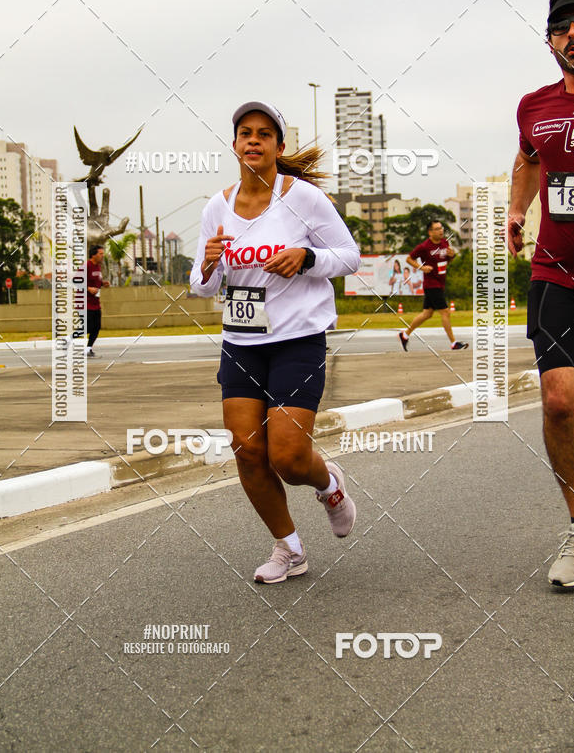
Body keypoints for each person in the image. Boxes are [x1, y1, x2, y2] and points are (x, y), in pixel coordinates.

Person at [190, 101, 361, 584]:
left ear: (278, 147)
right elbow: (203, 287)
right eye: (245, 132)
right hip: (242, 342)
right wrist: (206, 263)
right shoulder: (215, 207)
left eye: (264, 134)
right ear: (235, 143)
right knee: (247, 450)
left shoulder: (301, 198)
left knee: (286, 457)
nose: (254, 141)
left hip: (298, 339)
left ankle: (329, 486)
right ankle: (289, 548)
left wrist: (306, 257)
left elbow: (348, 256)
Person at [508, 0, 574, 587]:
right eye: (563, 27)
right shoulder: (534, 105)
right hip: (556, 272)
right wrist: (515, 209)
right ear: (550, 40)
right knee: (560, 402)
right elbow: (529, 158)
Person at [397, 220, 468, 351]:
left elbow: (447, 260)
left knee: (427, 314)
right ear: (430, 232)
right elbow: (409, 259)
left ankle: (404, 334)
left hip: (440, 283)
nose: (441, 231)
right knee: (445, 312)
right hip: (431, 284)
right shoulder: (424, 247)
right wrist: (421, 267)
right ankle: (454, 343)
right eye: (437, 229)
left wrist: (452, 256)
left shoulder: (445, 243)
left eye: (441, 228)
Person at [86, 244, 109, 357]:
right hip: (85, 303)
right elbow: (76, 281)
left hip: (96, 303)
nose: (102, 256)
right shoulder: (86, 266)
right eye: (100, 254)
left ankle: (88, 349)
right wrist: (88, 288)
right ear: (93, 255)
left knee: (97, 327)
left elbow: (96, 282)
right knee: (88, 327)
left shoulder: (98, 267)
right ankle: (66, 340)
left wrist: (103, 284)